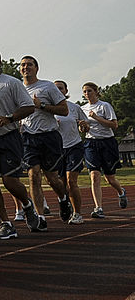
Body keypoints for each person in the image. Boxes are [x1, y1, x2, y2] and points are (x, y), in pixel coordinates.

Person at [0, 48, 36, 240]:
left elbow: (28, 107)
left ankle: (27, 205)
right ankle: (5, 222)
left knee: (10, 182)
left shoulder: (11, 82)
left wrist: (9, 118)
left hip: (8, 137)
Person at [19, 56, 71, 230]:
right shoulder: (17, 88)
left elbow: (64, 110)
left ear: (36, 68)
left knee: (52, 179)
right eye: (23, 65)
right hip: (28, 137)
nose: (26, 67)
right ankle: (40, 217)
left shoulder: (47, 86)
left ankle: (63, 199)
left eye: (29, 65)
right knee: (33, 176)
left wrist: (41, 106)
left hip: (48, 137)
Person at [81, 82, 128, 216]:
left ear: (96, 91)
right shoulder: (82, 109)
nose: (87, 94)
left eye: (89, 91)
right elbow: (83, 129)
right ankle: (98, 208)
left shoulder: (105, 106)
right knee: (94, 176)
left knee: (110, 178)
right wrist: (83, 126)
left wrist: (96, 117)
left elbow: (114, 125)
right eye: (84, 92)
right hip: (91, 143)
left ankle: (121, 192)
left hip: (107, 143)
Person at [53, 80, 89, 224]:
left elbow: (86, 126)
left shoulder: (74, 108)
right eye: (55, 89)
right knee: (59, 183)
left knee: (71, 181)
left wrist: (83, 126)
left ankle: (77, 214)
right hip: (56, 149)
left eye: (60, 88)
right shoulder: (48, 109)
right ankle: (64, 203)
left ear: (66, 91)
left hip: (74, 146)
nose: (58, 91)